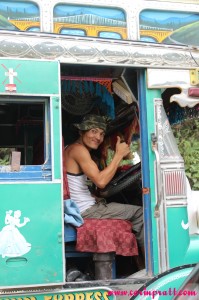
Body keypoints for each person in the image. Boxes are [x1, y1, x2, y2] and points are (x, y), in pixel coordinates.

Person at [64, 114, 144, 252]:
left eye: (101, 133)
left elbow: (75, 184)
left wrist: (94, 197)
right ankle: (151, 263)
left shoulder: (70, 148)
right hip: (86, 210)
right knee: (141, 213)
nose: (98, 137)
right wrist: (118, 155)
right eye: (93, 131)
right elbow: (101, 181)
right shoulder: (78, 150)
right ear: (81, 131)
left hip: (83, 206)